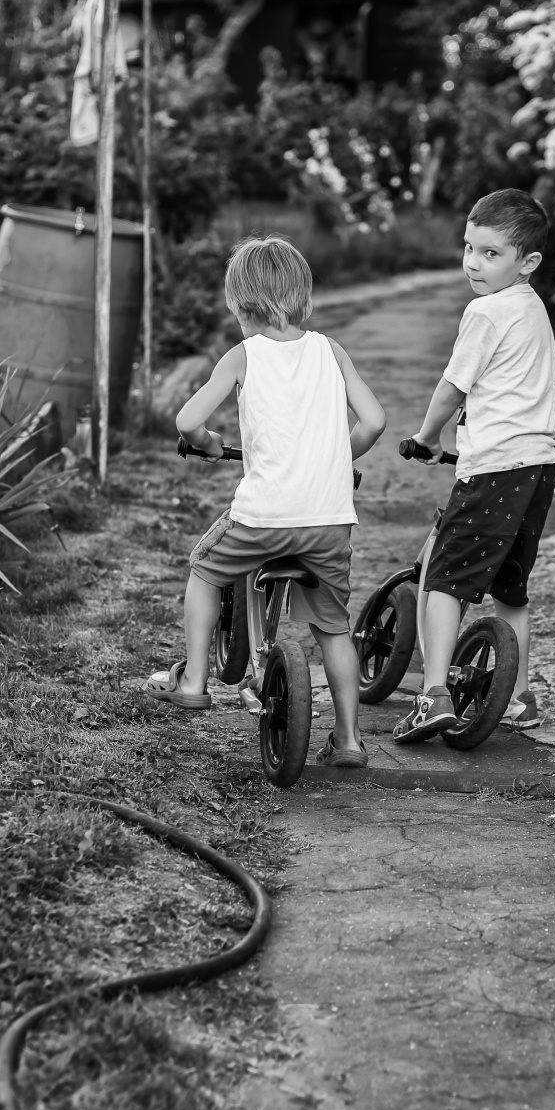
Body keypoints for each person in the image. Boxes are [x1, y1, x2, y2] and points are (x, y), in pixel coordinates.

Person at [141, 236, 386, 768]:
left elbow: (187, 421)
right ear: (303, 295)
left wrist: (206, 444)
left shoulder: (241, 356)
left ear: (238, 302)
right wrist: (336, 459)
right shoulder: (330, 350)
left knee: (204, 568)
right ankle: (348, 740)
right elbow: (375, 421)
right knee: (334, 628)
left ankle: (196, 679)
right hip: (329, 522)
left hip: (264, 517)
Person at [394, 188, 555, 743]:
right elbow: (533, 388)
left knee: (443, 580)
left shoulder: (486, 311)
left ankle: (433, 693)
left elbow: (453, 386)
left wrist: (426, 435)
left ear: (527, 262)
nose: (472, 263)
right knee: (511, 588)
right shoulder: (533, 310)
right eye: (469, 248)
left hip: (494, 469)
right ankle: (517, 698)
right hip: (537, 468)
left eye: (491, 254)